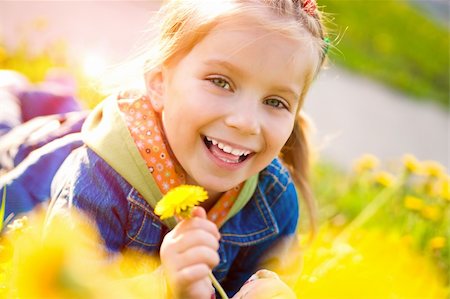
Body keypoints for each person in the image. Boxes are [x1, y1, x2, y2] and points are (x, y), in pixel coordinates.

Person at [1, 0, 329, 298]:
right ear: (159, 82)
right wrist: (162, 285)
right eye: (221, 82)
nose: (245, 122)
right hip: (38, 174)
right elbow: (60, 291)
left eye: (275, 102)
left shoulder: (274, 201)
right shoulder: (95, 179)